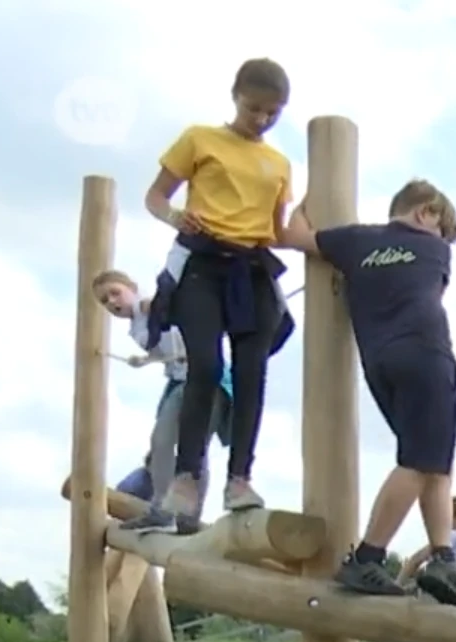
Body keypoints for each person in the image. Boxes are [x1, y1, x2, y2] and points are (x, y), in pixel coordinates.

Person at [279, 178, 456, 610]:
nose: (445, 240)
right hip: (427, 354)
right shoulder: (435, 250)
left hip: (380, 363)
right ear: (427, 212)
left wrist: (314, 191)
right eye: (443, 228)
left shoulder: (355, 240)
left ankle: (443, 557)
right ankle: (368, 555)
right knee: (418, 462)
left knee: (431, 460)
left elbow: (291, 234)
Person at [124, 58, 298, 535]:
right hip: (203, 265)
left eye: (272, 113)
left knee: (252, 372)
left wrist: (318, 233)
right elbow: (156, 196)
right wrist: (176, 217)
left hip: (252, 270)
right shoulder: (200, 138)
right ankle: (186, 476)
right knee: (204, 366)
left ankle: (240, 478)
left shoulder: (279, 163)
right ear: (235, 96)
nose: (261, 120)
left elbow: (278, 229)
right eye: (253, 109)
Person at [94, 269, 227, 519]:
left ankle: (186, 511)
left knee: (194, 446)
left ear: (132, 289)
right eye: (105, 301)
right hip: (179, 379)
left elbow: (180, 320)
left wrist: (160, 306)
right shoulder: (135, 327)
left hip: (202, 376)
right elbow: (162, 348)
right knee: (162, 441)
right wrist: (146, 359)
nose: (112, 302)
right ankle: (164, 502)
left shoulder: (153, 306)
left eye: (115, 293)